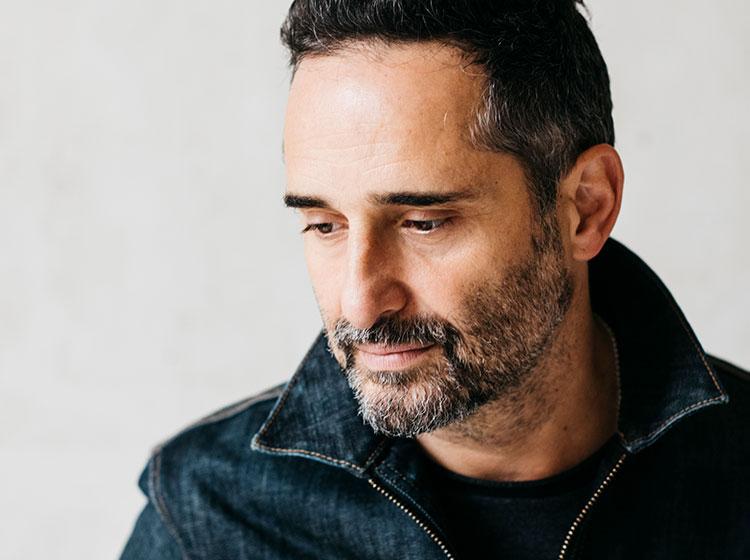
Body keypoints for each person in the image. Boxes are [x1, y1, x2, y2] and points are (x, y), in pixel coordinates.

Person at [121, 1, 750, 558]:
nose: (361, 303)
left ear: (586, 207)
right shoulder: (207, 516)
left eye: (423, 223)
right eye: (324, 225)